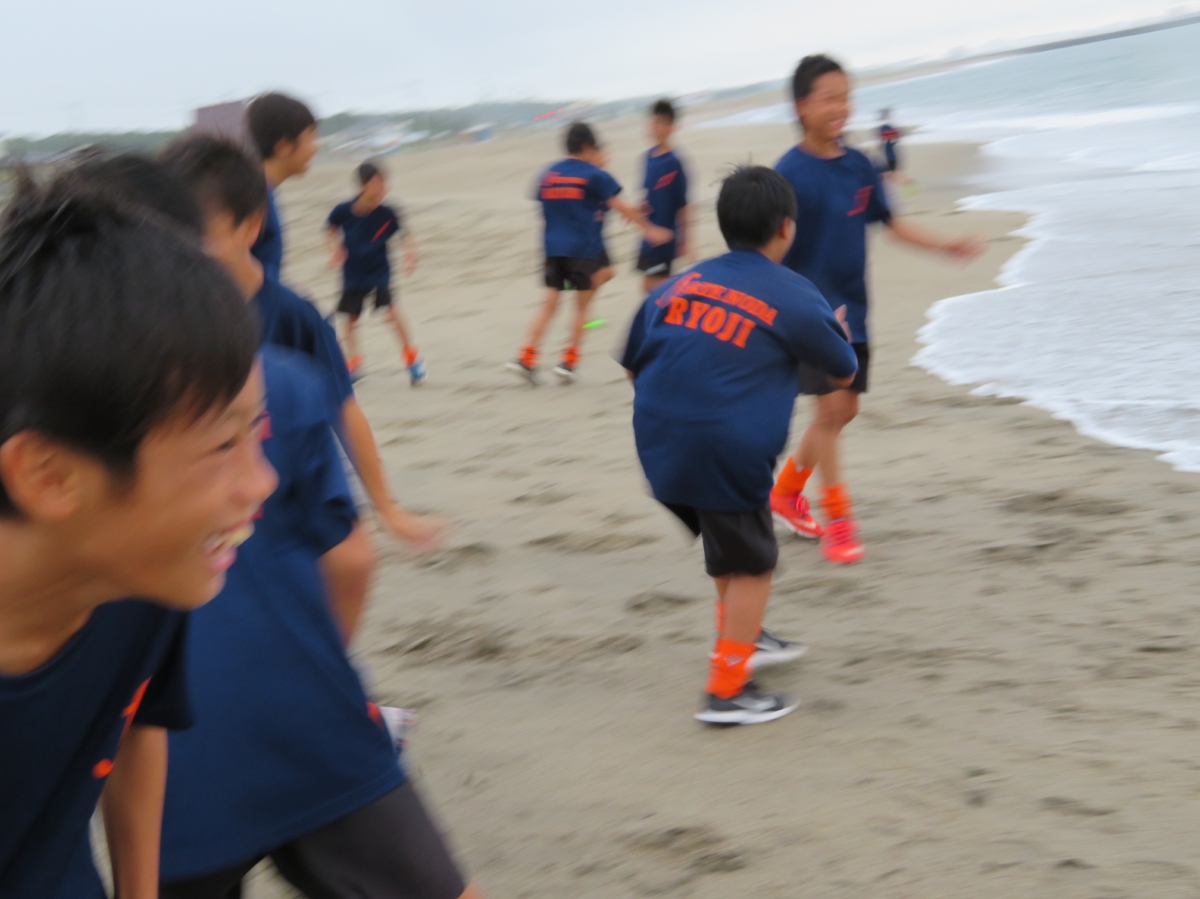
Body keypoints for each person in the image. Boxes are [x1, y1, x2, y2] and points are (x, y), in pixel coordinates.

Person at [128, 146, 482, 899]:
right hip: (307, 712)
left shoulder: (75, 428)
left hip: (166, 755)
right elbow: (350, 559)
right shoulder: (281, 384)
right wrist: (322, 658)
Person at [0, 167, 274, 897]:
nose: (261, 483)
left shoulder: (141, 582)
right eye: (222, 445)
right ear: (50, 475)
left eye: (256, 432)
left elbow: (137, 718)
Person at [164, 136, 445, 633]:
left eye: (199, 235)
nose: (180, 253)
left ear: (249, 226)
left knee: (351, 559)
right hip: (193, 509)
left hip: (282, 494)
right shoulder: (159, 316)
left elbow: (344, 408)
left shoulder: (292, 316)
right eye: (168, 235)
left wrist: (387, 507)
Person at [621, 166, 859, 725]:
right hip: (726, 447)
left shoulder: (678, 284)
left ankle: (743, 635)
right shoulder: (794, 292)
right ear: (786, 228)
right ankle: (726, 689)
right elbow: (843, 372)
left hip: (656, 443)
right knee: (754, 563)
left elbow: (634, 363)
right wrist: (837, 333)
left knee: (727, 540)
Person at [770, 55, 983, 565]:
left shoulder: (860, 165)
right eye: (829, 98)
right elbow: (769, 251)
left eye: (846, 97)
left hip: (855, 310)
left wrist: (945, 245)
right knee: (830, 410)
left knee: (845, 411)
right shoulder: (787, 175)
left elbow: (892, 221)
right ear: (801, 106)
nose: (841, 107)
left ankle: (786, 490)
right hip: (811, 315)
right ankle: (839, 520)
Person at [510, 121, 672, 384]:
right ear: (588, 146)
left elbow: (545, 206)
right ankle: (568, 362)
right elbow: (621, 206)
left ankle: (526, 357)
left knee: (548, 306)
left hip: (552, 250)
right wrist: (650, 230)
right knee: (582, 308)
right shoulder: (594, 174)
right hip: (582, 251)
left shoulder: (547, 174)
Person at [327, 160, 425, 385]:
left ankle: (412, 360)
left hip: (379, 270)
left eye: (385, 182)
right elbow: (330, 228)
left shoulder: (388, 213)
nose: (383, 187)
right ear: (364, 185)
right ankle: (354, 364)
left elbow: (405, 236)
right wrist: (334, 249)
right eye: (378, 183)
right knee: (351, 318)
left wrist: (410, 254)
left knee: (392, 312)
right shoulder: (344, 210)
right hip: (353, 272)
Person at [245, 91, 319, 281]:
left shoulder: (257, 190)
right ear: (284, 146)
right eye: (311, 137)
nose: (316, 146)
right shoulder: (255, 199)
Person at [637, 99, 692, 293]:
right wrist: (642, 206)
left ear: (672, 127)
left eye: (661, 123)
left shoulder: (675, 162)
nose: (656, 128)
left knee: (657, 289)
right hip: (649, 236)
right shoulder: (647, 158)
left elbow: (684, 205)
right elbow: (647, 194)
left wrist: (686, 240)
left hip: (665, 238)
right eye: (654, 123)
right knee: (649, 288)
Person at [878, 109, 904, 184]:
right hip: (893, 156)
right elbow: (896, 138)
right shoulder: (891, 142)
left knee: (890, 172)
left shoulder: (887, 143)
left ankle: (898, 182)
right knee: (892, 171)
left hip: (889, 157)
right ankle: (898, 182)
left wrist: (880, 146)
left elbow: (882, 142)